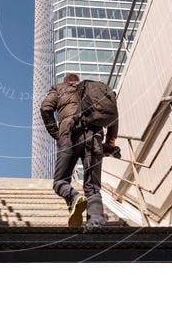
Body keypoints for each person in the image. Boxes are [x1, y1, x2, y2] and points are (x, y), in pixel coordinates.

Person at [40, 73, 119, 230]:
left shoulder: (59, 89)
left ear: (66, 82)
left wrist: (56, 133)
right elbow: (113, 116)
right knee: (93, 188)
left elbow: (45, 108)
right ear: (77, 81)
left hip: (69, 136)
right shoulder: (94, 91)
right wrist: (110, 142)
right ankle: (96, 222)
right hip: (94, 138)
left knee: (60, 181)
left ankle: (74, 197)